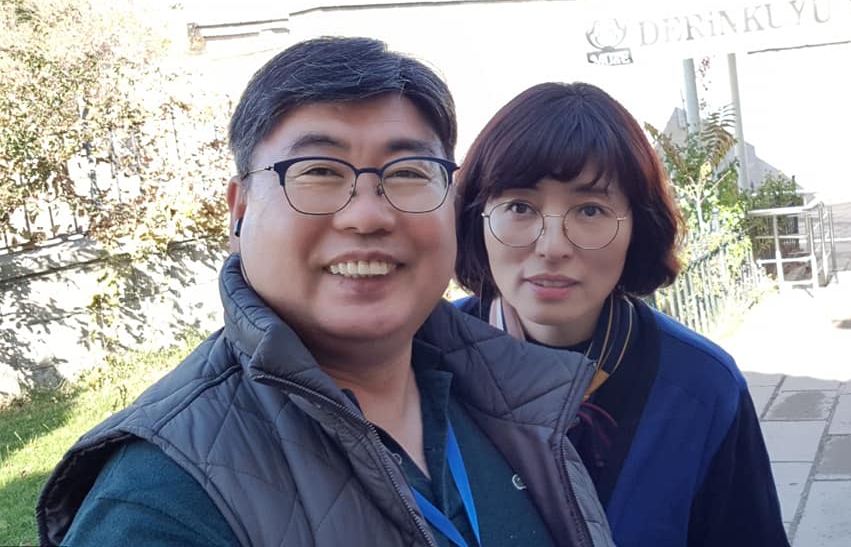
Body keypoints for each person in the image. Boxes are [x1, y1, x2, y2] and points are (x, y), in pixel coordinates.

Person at [37, 38, 614, 547]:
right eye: (319, 171)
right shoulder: (161, 501)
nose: (368, 215)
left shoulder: (515, 398)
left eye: (408, 172)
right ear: (239, 210)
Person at [453, 82, 789, 546]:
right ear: (477, 217)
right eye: (519, 206)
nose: (552, 246)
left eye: (590, 210)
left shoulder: (701, 386)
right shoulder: (424, 362)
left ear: (638, 226)